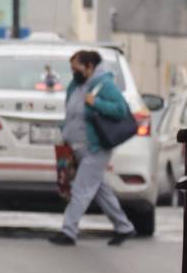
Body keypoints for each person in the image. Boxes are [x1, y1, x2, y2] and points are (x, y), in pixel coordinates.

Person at [49, 50, 137, 246]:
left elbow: (121, 109)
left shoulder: (104, 84)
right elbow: (71, 116)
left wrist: (96, 102)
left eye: (76, 68)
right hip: (77, 148)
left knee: (81, 189)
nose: (73, 72)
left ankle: (68, 231)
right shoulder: (75, 86)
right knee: (99, 190)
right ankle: (125, 227)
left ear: (89, 66)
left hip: (96, 148)